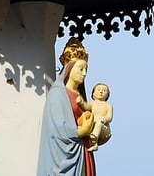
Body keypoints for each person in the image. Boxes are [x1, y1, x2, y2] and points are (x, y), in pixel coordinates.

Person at [37, 41, 96, 176]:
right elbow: (58, 129)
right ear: (69, 69)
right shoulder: (58, 93)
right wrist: (81, 131)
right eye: (81, 69)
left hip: (83, 152)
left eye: (86, 69)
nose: (84, 73)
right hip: (65, 155)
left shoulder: (79, 96)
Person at [87, 84, 112, 151]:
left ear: (107, 95)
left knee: (98, 123)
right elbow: (85, 107)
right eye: (98, 90)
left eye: (104, 90)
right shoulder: (92, 104)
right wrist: (81, 103)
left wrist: (104, 119)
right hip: (92, 126)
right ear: (93, 94)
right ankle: (94, 145)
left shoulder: (108, 106)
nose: (101, 92)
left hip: (103, 129)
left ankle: (94, 139)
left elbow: (109, 117)